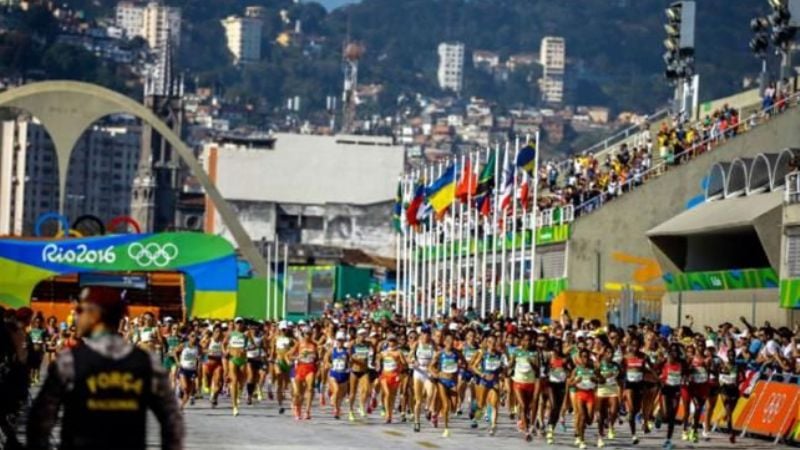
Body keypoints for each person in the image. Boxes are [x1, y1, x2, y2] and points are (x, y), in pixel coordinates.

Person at [27, 286, 183, 450]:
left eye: (80, 310)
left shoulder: (70, 361)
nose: (75, 317)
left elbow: (41, 419)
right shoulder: (147, 361)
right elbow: (172, 420)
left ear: (95, 315)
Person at [224, 317, 249, 416]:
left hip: (242, 360)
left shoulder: (246, 335)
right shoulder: (230, 334)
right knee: (234, 381)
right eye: (237, 323)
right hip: (233, 359)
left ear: (243, 324)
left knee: (242, 380)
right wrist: (225, 351)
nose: (239, 325)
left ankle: (239, 392)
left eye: (240, 323)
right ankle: (234, 406)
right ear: (234, 324)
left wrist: (245, 349)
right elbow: (224, 344)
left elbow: (251, 346)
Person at [326, 330, 350, 419]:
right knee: (336, 391)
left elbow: (350, 362)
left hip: (343, 374)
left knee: (341, 395)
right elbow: (326, 359)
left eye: (341, 340)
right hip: (334, 373)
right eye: (338, 340)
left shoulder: (347, 351)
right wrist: (329, 364)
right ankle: (336, 410)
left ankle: (338, 407)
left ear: (344, 341)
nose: (340, 342)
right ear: (336, 341)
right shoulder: (332, 350)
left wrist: (349, 367)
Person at [175, 332, 201, 410]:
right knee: (185, 387)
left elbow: (200, 358)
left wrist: (198, 367)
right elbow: (175, 352)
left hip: (192, 370)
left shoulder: (198, 347)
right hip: (183, 369)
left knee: (188, 391)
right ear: (189, 337)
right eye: (192, 336)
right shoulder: (183, 345)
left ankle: (181, 406)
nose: (194, 338)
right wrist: (177, 362)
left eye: (195, 336)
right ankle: (180, 388)